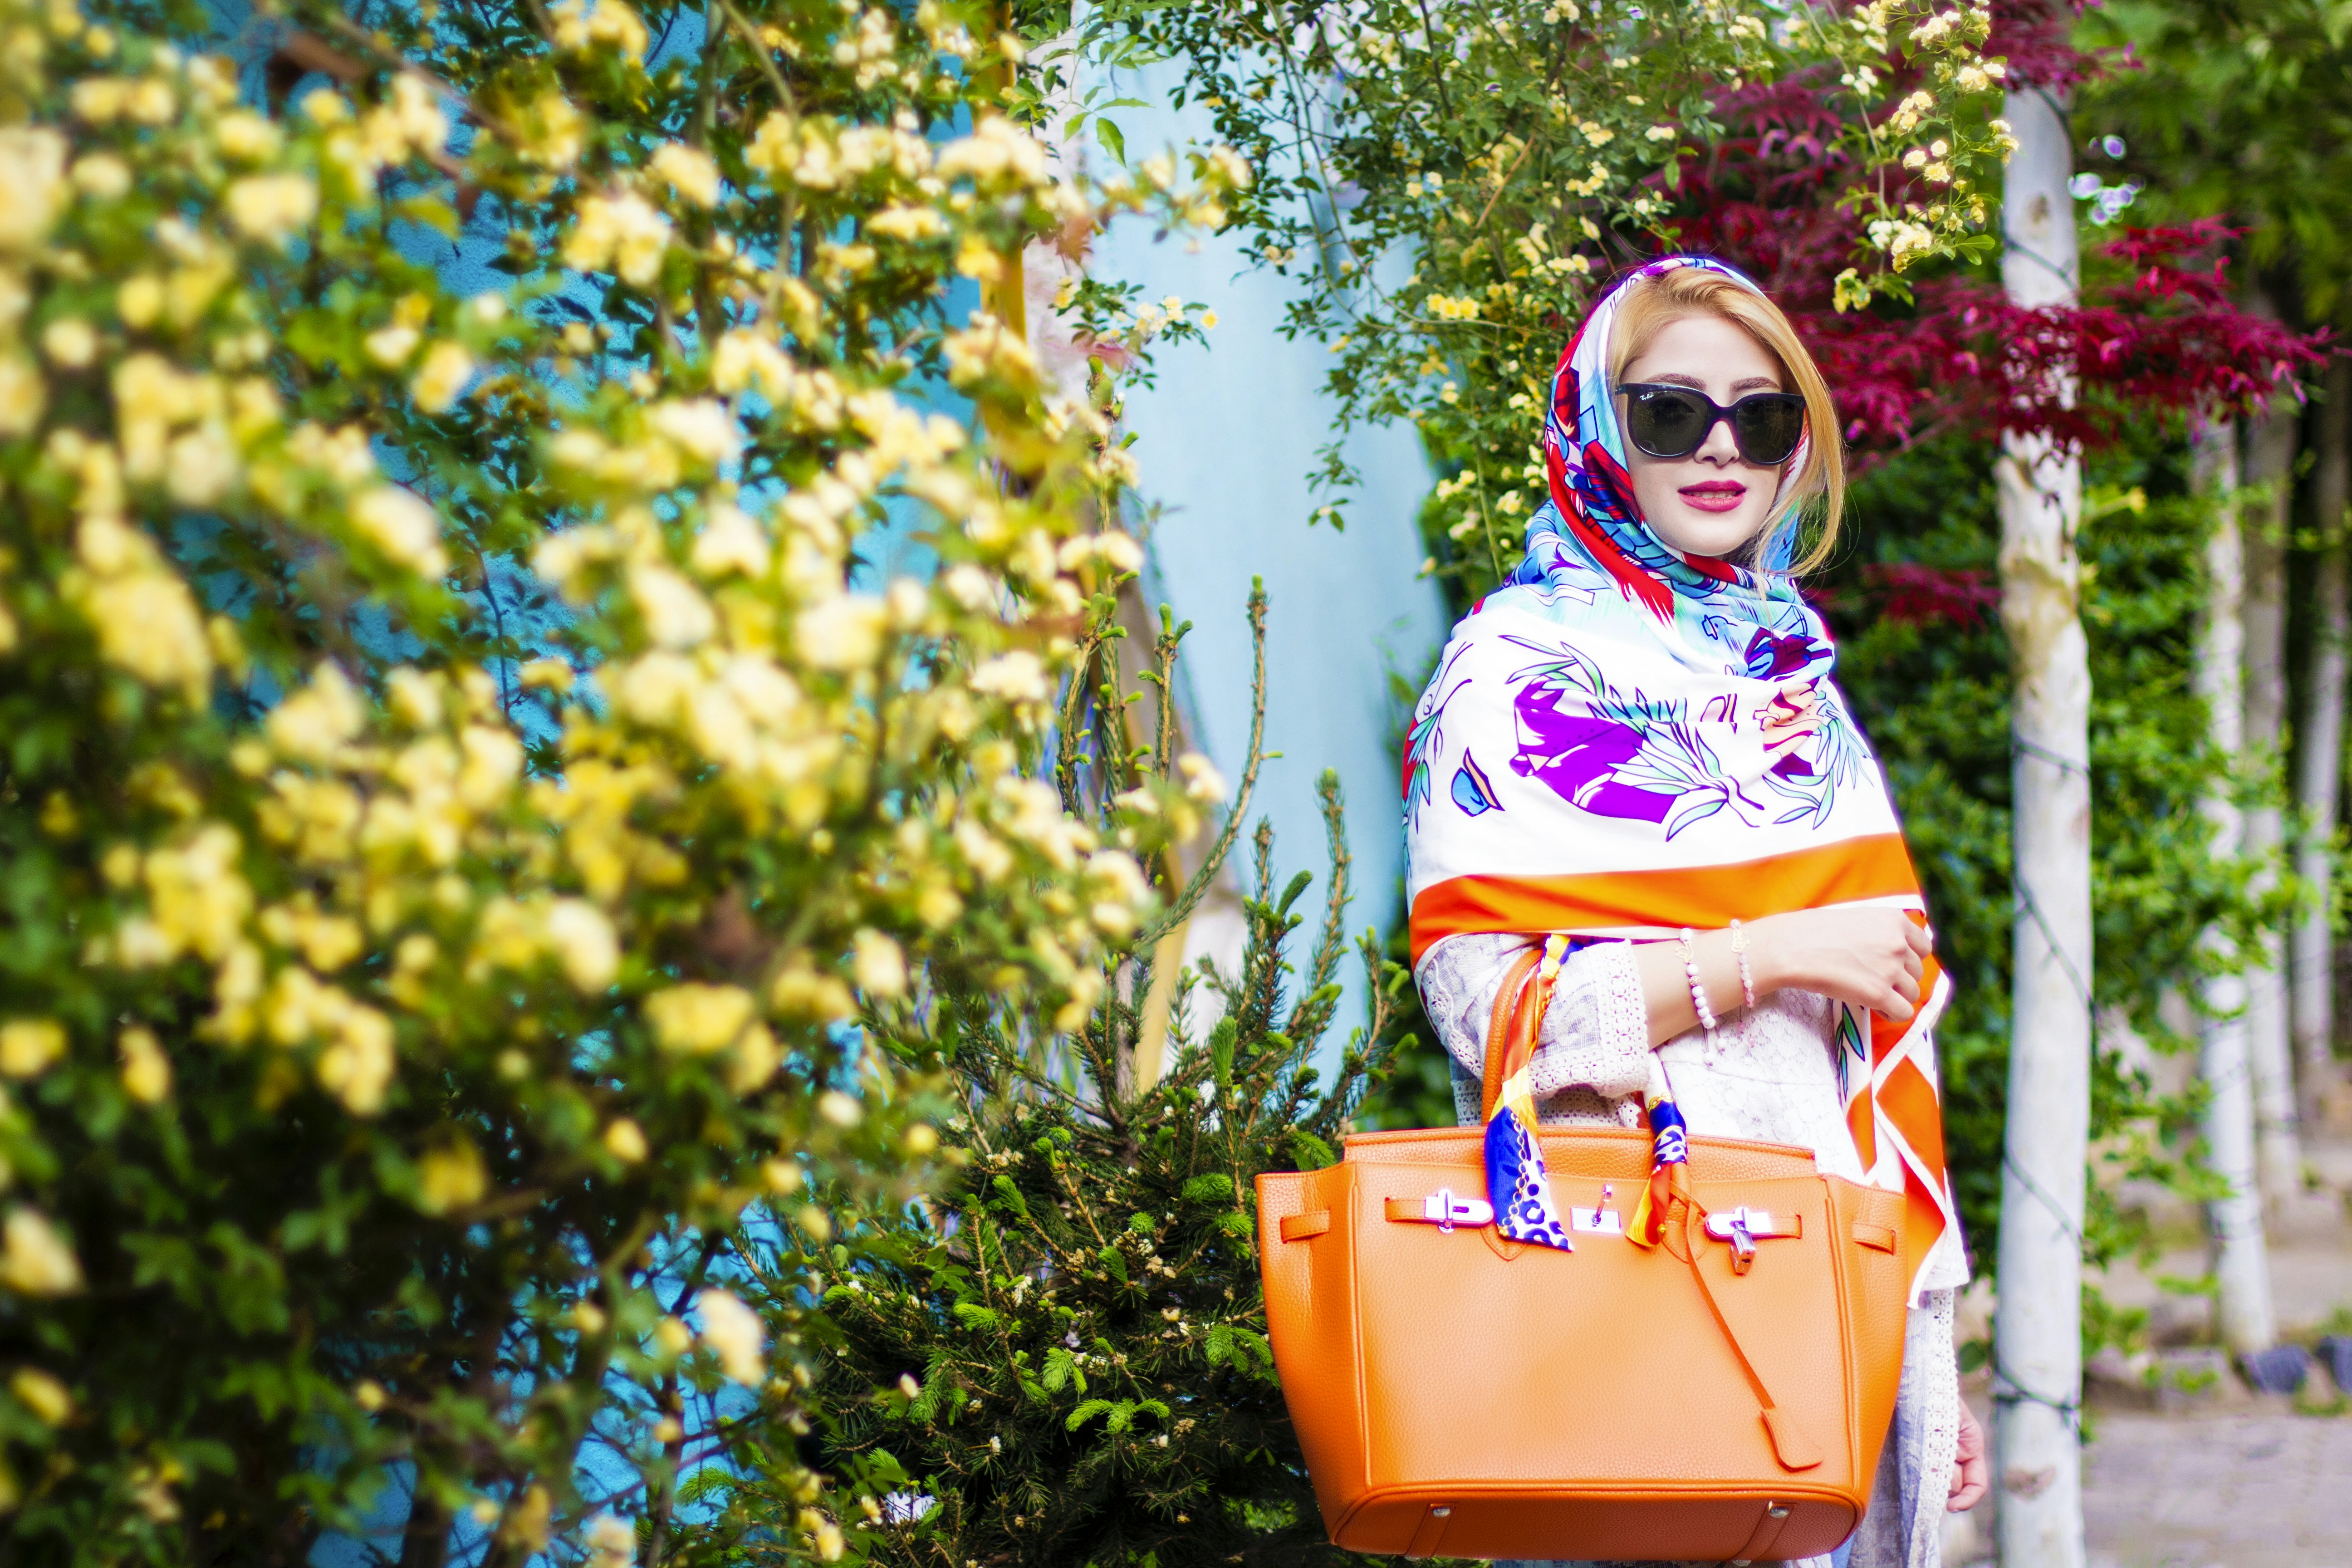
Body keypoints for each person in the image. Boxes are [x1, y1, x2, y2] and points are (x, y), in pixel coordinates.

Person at [1402, 255, 1988, 1568]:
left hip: (1830, 1322)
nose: (1722, 450)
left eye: (1762, 418)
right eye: (1673, 414)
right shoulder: (1510, 675)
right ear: (1602, 433)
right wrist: (1765, 955)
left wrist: (1926, 1356)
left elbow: (1882, 1063)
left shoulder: (1795, 689)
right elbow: (1489, 1013)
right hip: (1623, 1311)